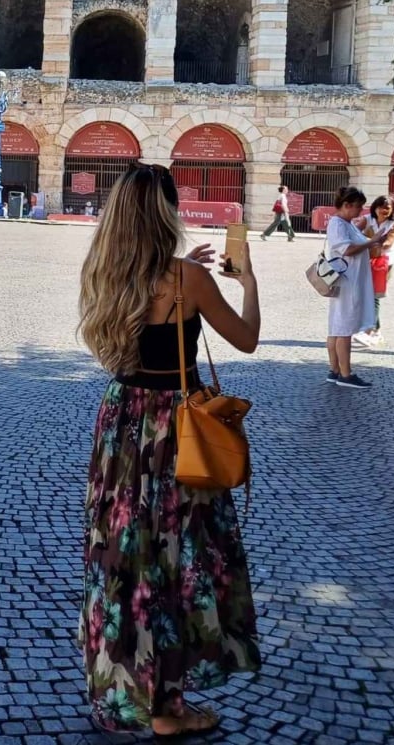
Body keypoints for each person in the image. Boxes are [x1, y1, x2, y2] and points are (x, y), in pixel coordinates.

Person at [76, 163, 260, 737]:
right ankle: (169, 709)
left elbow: (122, 344)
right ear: (166, 213)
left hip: (122, 425)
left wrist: (187, 276)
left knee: (126, 559)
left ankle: (135, 686)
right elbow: (247, 338)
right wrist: (246, 279)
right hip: (174, 430)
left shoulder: (103, 271)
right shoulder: (187, 279)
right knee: (180, 558)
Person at [324, 187, 392, 387]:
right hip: (347, 281)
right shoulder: (338, 224)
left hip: (348, 280)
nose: (361, 211)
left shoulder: (347, 224)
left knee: (337, 327)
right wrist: (372, 242)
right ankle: (345, 374)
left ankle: (335, 370)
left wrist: (373, 241)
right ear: (347, 205)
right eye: (359, 207)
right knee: (343, 328)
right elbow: (347, 249)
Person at [354, 196, 394, 348]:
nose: (384, 210)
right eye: (381, 207)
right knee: (365, 294)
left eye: (387, 208)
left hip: (384, 263)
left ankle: (370, 331)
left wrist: (372, 242)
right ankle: (375, 330)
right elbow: (353, 234)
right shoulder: (367, 219)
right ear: (375, 207)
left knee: (374, 295)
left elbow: (389, 242)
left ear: (392, 210)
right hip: (366, 260)